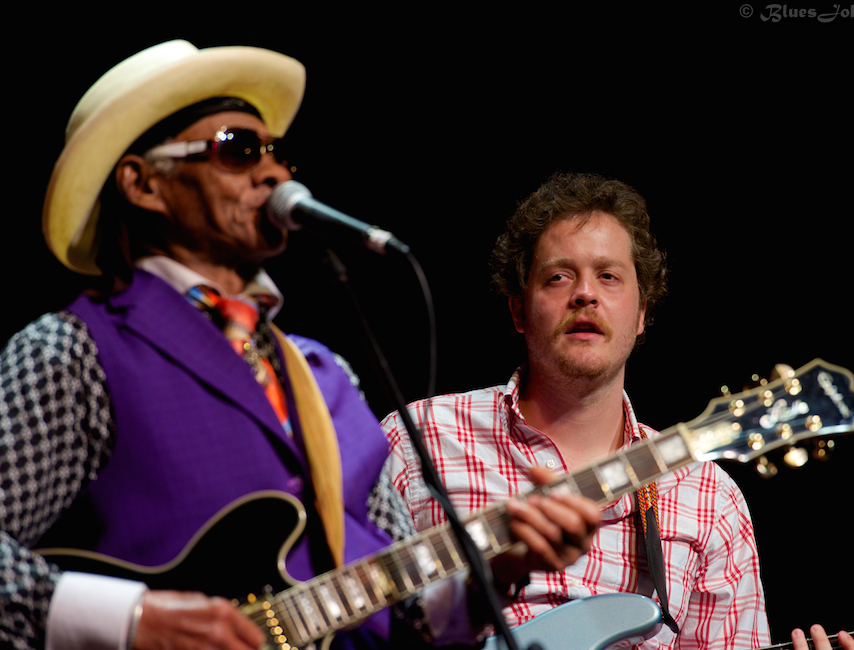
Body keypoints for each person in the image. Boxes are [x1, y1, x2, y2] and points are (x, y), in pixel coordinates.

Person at [0, 41, 601, 650]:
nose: (274, 173)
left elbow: (402, 610)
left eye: (276, 154)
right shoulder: (74, 352)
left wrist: (496, 570)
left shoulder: (324, 374)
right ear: (144, 183)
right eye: (236, 150)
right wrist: (127, 621)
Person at [381, 172, 771, 649]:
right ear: (519, 312)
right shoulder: (417, 438)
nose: (585, 293)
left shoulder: (707, 495)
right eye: (558, 277)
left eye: (608, 276)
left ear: (642, 312)